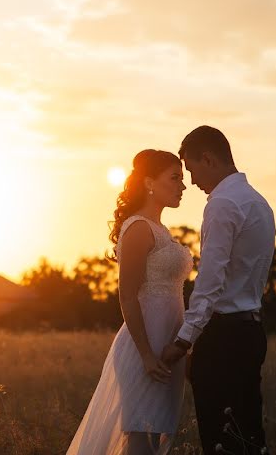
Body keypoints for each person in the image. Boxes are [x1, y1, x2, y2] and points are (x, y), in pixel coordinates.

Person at [68, 149, 193, 455]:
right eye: (174, 178)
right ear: (150, 183)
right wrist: (147, 355)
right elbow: (126, 296)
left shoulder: (162, 231)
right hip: (143, 349)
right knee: (139, 437)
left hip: (168, 349)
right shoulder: (139, 228)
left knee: (151, 437)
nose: (183, 186)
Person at [161, 126, 276, 455]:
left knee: (219, 439)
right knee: (248, 435)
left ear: (209, 159)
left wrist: (184, 340)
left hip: (223, 337)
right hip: (252, 331)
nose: (192, 182)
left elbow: (210, 281)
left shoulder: (223, 204)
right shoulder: (258, 202)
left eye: (193, 170)